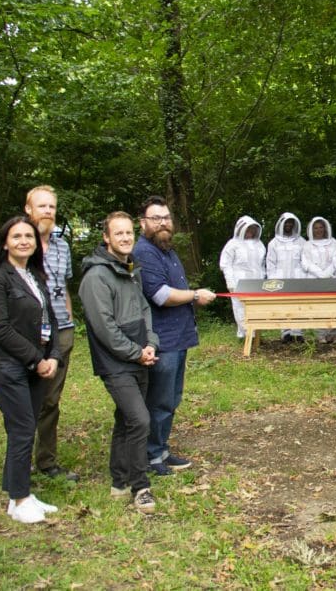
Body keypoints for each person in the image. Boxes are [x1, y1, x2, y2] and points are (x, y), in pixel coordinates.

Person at [0, 216, 60, 524]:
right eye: (16, 236)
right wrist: (36, 359)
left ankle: (18, 495)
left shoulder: (34, 276)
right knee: (22, 429)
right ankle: (20, 498)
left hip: (36, 366)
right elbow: (0, 328)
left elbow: (49, 320)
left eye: (29, 236)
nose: (24, 241)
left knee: (25, 429)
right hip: (8, 366)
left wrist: (53, 356)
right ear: (5, 243)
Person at [79, 212, 159, 513]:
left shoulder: (130, 269)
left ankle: (119, 480)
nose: (125, 238)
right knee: (140, 420)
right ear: (106, 237)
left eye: (128, 233)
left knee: (125, 419)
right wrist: (135, 352)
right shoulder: (96, 277)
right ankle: (141, 487)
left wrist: (150, 344)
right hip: (115, 363)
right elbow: (105, 328)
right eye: (118, 233)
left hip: (140, 356)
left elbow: (144, 310)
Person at [133, 196, 216, 476]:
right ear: (143, 223)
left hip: (178, 338)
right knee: (159, 400)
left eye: (166, 218)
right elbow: (160, 295)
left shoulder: (166, 249)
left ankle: (161, 449)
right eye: (156, 218)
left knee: (171, 398)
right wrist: (195, 295)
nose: (163, 223)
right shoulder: (145, 252)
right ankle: (151, 455)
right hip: (162, 340)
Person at [24, 185, 79, 482]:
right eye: (42, 206)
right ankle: (19, 464)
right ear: (28, 209)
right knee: (24, 400)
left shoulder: (62, 247)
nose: (47, 211)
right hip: (28, 335)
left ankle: (46, 461)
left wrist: (68, 319)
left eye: (51, 207)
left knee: (50, 400)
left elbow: (63, 286)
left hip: (61, 333)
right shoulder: (20, 243)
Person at [219, 215, 267, 339]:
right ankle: (246, 335)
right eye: (248, 229)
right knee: (240, 308)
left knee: (256, 308)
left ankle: (255, 336)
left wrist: (263, 278)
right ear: (240, 229)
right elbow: (225, 264)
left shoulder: (259, 244)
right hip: (239, 282)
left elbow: (262, 264)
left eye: (252, 229)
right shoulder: (232, 244)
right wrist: (230, 281)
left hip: (257, 282)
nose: (250, 232)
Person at [266, 212, 306, 343]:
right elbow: (270, 263)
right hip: (280, 278)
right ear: (281, 224)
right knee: (282, 304)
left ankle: (298, 332)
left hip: (297, 278)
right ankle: (285, 332)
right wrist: (273, 280)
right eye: (286, 222)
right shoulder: (273, 243)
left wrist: (304, 277)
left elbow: (305, 261)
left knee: (298, 304)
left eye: (291, 223)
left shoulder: (301, 241)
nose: (288, 225)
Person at [301, 216, 336, 343]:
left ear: (325, 228)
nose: (318, 230)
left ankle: (333, 333)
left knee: (332, 306)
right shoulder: (307, 245)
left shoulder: (333, 242)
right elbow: (305, 262)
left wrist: (327, 272)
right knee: (318, 307)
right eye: (316, 228)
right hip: (314, 279)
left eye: (321, 227)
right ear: (312, 230)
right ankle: (321, 334)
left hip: (331, 278)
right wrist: (319, 272)